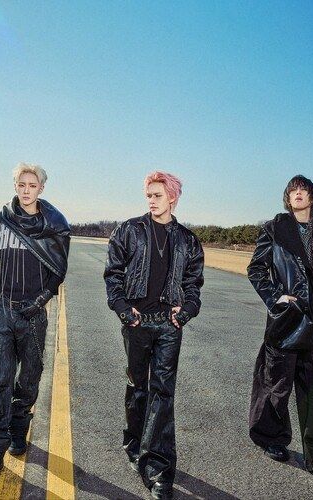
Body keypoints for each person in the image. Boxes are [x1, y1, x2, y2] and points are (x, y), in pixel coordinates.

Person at [247, 175, 313, 493]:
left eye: (303, 191)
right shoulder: (274, 227)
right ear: (287, 198)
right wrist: (276, 298)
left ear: (312, 198)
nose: (297, 194)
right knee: (276, 386)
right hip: (288, 322)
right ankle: (271, 437)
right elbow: (256, 269)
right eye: (292, 191)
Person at [104, 171, 204, 500]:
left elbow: (193, 283)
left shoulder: (188, 240)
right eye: (148, 195)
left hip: (168, 326)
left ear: (172, 197)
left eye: (158, 195)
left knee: (163, 393)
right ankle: (135, 443)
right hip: (136, 322)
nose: (151, 200)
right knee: (138, 387)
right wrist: (122, 308)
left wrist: (187, 309)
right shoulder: (129, 230)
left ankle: (159, 469)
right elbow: (113, 273)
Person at [0, 163, 70, 481]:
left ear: (41, 188)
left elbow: (58, 271)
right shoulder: (0, 221)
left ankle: (18, 426)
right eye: (21, 184)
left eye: (32, 185)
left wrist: (39, 302)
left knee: (28, 379)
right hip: (2, 309)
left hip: (33, 314)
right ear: (15, 185)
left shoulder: (55, 225)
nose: (26, 190)